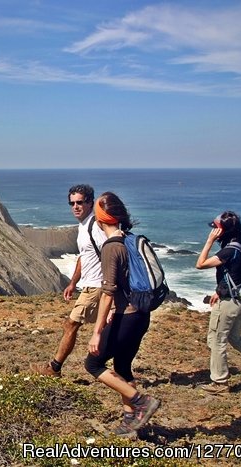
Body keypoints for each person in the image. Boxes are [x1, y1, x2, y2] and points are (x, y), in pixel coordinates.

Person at [84, 192, 160, 437]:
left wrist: (96, 332)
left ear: (99, 220)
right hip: (140, 315)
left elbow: (107, 292)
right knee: (123, 365)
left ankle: (140, 401)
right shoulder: (128, 239)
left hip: (126, 317)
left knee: (93, 363)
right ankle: (131, 421)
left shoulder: (111, 248)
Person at [32, 184, 107, 377]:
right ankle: (118, 366)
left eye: (80, 202)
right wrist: (73, 283)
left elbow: (111, 253)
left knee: (71, 324)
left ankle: (54, 368)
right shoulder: (84, 227)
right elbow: (84, 257)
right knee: (106, 327)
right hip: (90, 285)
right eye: (72, 203)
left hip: (98, 286)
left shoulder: (95, 226)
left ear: (91, 202)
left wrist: (109, 285)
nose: (75, 207)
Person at [195, 211, 241, 394]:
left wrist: (209, 242)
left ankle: (219, 383)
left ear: (223, 231)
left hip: (228, 304)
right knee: (235, 338)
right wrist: (218, 290)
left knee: (216, 340)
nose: (213, 230)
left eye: (215, 228)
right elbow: (235, 274)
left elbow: (200, 264)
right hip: (239, 301)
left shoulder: (229, 251)